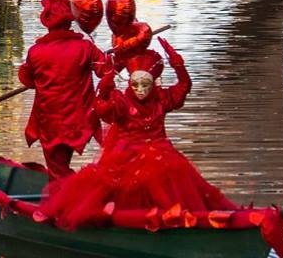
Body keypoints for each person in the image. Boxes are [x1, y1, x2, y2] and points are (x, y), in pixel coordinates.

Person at [38, 36, 233, 231]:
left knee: (169, 169)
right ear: (130, 83)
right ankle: (128, 218)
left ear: (153, 83)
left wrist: (177, 62)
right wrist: (106, 84)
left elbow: (183, 88)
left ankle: (170, 218)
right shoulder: (121, 101)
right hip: (126, 155)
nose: (140, 90)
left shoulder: (162, 99)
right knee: (122, 179)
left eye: (146, 85)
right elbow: (102, 109)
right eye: (135, 85)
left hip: (159, 151)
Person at [17, 0, 101, 179]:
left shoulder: (36, 52)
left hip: (50, 122)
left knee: (57, 171)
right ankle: (71, 195)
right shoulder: (85, 47)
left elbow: (26, 79)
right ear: (69, 22)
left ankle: (74, 198)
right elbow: (105, 69)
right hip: (77, 121)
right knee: (60, 167)